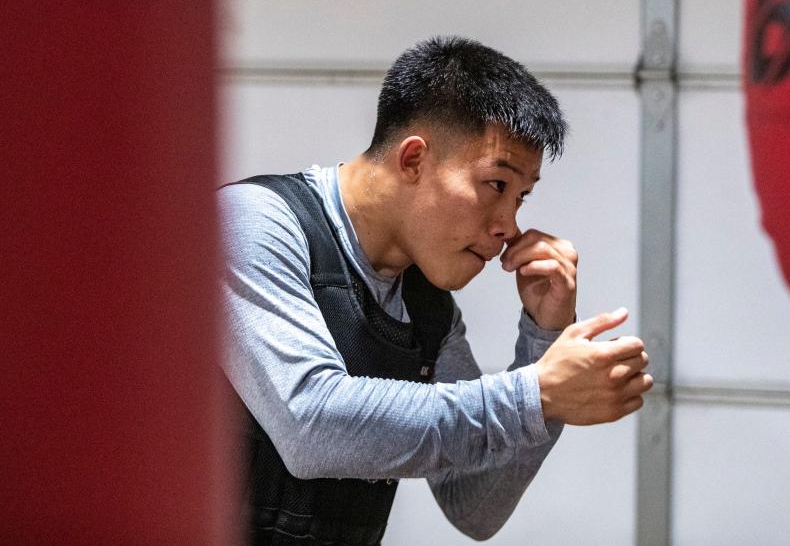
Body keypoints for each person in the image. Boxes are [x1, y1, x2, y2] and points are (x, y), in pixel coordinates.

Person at [219, 36, 654, 545]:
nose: (510, 227)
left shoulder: (427, 308)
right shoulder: (254, 224)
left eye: (522, 197)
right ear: (412, 160)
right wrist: (537, 393)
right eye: (497, 184)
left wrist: (543, 342)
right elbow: (311, 425)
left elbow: (474, 506)